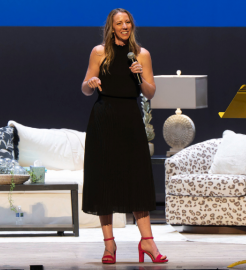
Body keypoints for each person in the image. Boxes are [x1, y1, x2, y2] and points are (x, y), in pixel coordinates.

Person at [81, 8, 168, 264]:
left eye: (127, 22)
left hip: (130, 119)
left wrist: (140, 76)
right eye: (119, 23)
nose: (124, 26)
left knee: (137, 179)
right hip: (104, 118)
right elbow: (85, 87)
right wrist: (91, 82)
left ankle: (148, 241)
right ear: (111, 26)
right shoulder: (100, 52)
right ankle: (109, 246)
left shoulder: (142, 54)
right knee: (104, 180)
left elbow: (150, 92)